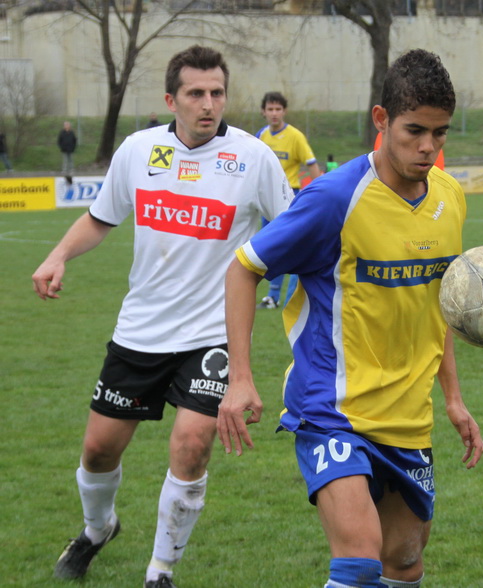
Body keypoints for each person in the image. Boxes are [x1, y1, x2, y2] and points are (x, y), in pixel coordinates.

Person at [217, 49, 483, 588]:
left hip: (408, 416)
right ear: (381, 119)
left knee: (403, 563)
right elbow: (244, 269)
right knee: (360, 562)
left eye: (440, 133)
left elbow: (439, 307)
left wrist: (453, 398)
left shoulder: (450, 198)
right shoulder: (334, 198)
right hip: (332, 407)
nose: (428, 147)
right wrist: (240, 377)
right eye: (414, 131)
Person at [32, 45, 292, 588]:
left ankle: (161, 570)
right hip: (141, 330)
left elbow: (292, 227)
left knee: (192, 445)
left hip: (212, 333)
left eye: (217, 92)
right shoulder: (138, 150)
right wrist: (58, 255)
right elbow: (101, 217)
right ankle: (98, 529)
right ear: (171, 100)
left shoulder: (253, 158)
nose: (208, 104)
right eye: (196, 93)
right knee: (98, 450)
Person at [255, 91, 321, 309]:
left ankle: (292, 298)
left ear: (284, 111)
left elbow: (311, 165)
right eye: (270, 109)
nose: (274, 113)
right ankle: (272, 297)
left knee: (292, 249)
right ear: (263, 112)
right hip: (266, 199)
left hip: (290, 198)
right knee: (270, 250)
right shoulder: (261, 135)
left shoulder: (295, 136)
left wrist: (321, 196)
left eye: (278, 109)